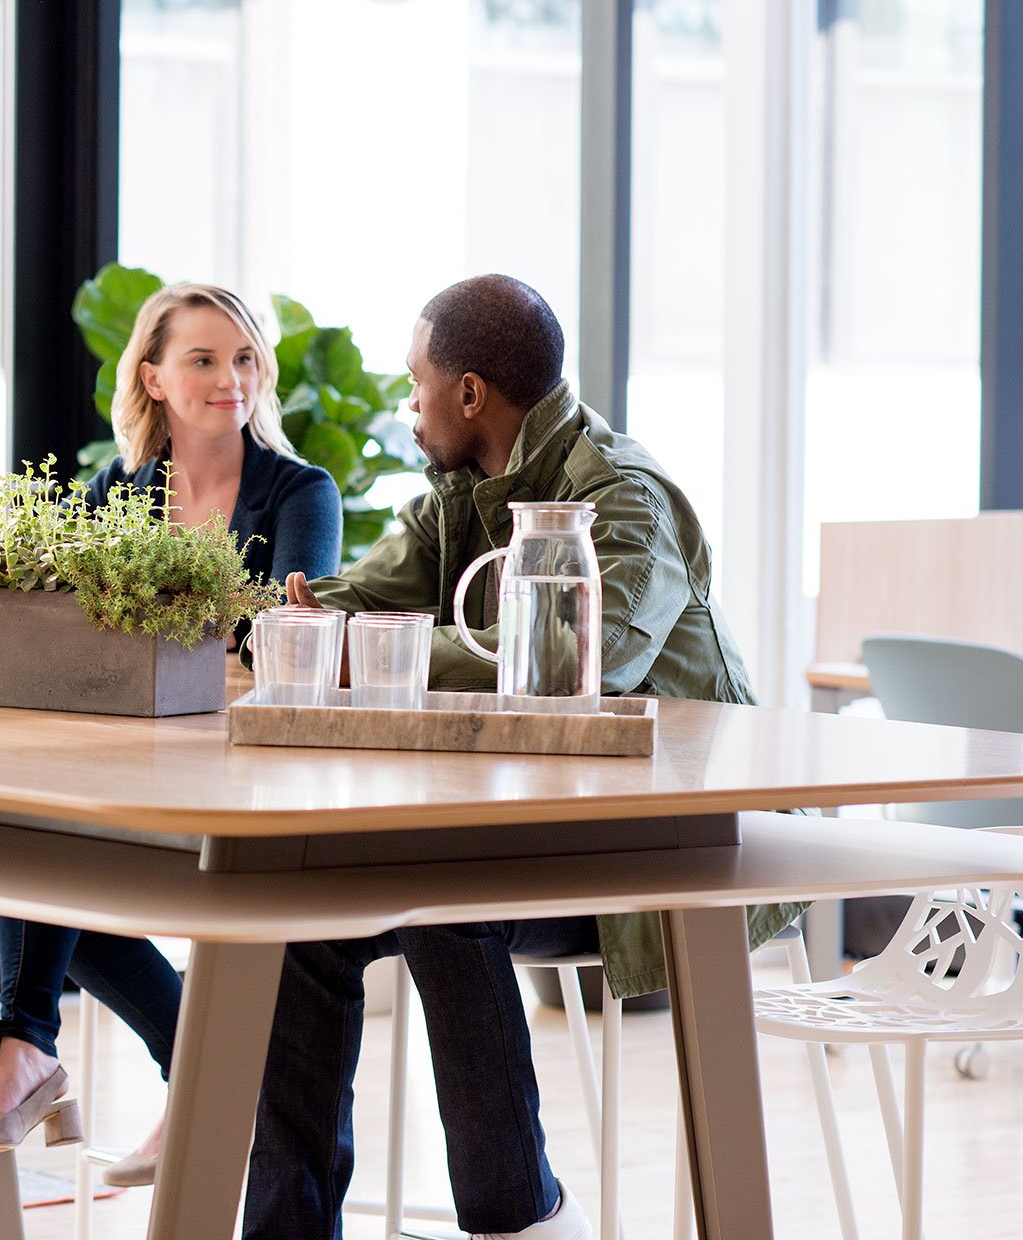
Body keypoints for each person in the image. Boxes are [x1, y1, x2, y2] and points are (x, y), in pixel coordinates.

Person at [247, 274, 794, 1240]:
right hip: (535, 829)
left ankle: (521, 1220)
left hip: (664, 839)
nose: (404, 408)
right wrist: (306, 619)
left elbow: (581, 664)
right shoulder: (455, 496)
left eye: (416, 386)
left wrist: (372, 648)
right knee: (308, 923)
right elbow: (360, 605)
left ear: (469, 394)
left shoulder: (622, 499)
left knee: (445, 903)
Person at [0, 285, 343, 1182]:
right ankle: (189, 1071)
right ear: (154, 377)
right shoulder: (121, 492)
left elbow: (286, 640)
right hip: (137, 756)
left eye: (245, 358)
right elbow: (83, 633)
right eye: (205, 360)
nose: (232, 379)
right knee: (27, 855)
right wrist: (202, 623)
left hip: (244, 772)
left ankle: (42, 1046)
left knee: (42, 866)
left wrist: (183, 626)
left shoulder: (301, 492)